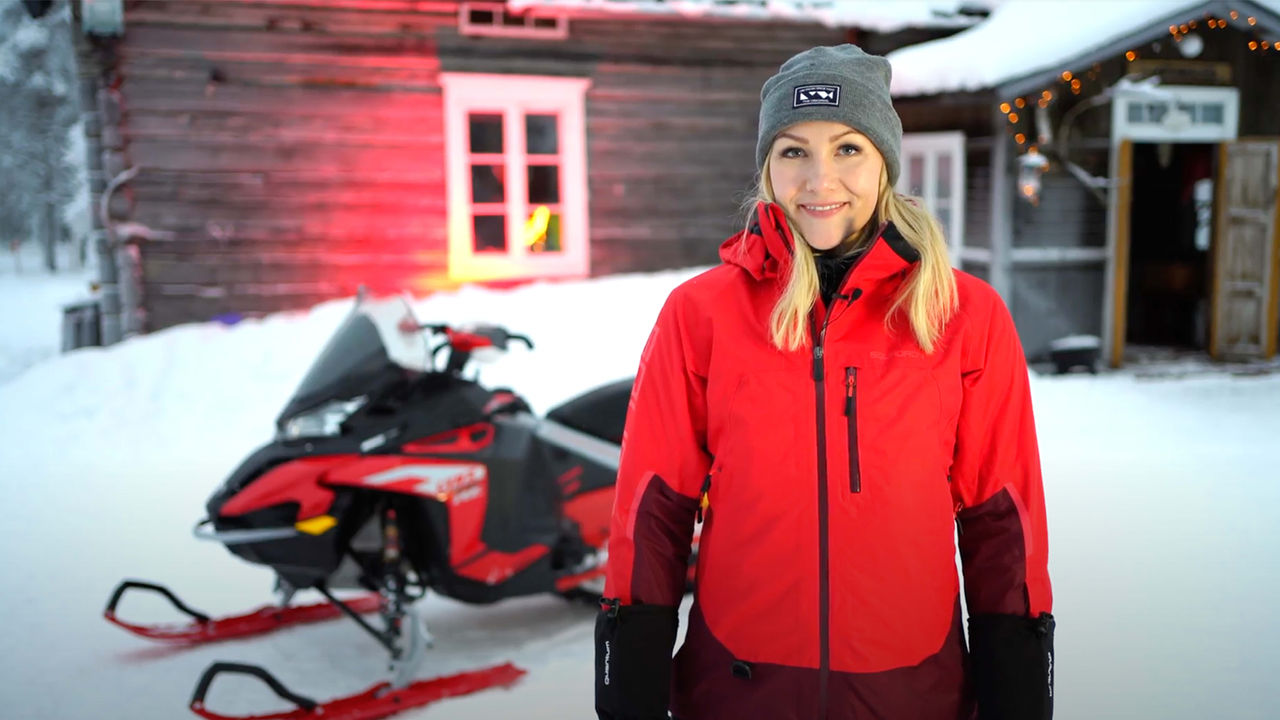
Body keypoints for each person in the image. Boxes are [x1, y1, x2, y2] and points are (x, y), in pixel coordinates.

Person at [593, 44, 1054, 720]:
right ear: (767, 168)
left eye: (847, 149)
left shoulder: (962, 315)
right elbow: (652, 511)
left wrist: (1019, 695)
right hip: (737, 692)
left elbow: (1002, 519)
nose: (819, 179)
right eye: (793, 151)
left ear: (884, 162)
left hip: (912, 694)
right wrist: (627, 693)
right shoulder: (701, 314)